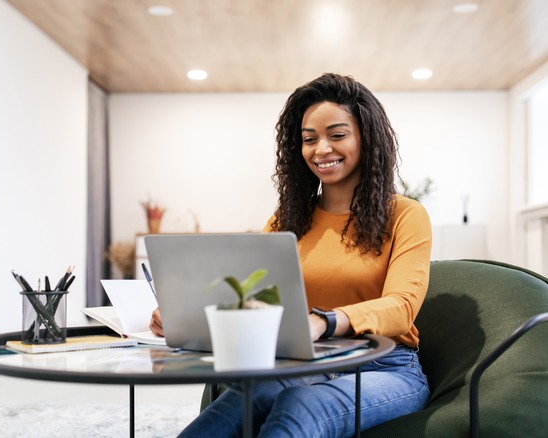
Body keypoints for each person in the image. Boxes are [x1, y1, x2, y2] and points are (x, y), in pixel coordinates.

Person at [149, 72, 432, 437]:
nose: (321, 149)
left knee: (300, 404)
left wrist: (324, 322)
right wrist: (185, 315)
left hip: (384, 367)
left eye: (337, 135)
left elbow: (402, 305)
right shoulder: (288, 219)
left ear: (367, 138)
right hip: (306, 362)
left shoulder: (405, 214)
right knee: (238, 403)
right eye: (309, 139)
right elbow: (251, 298)